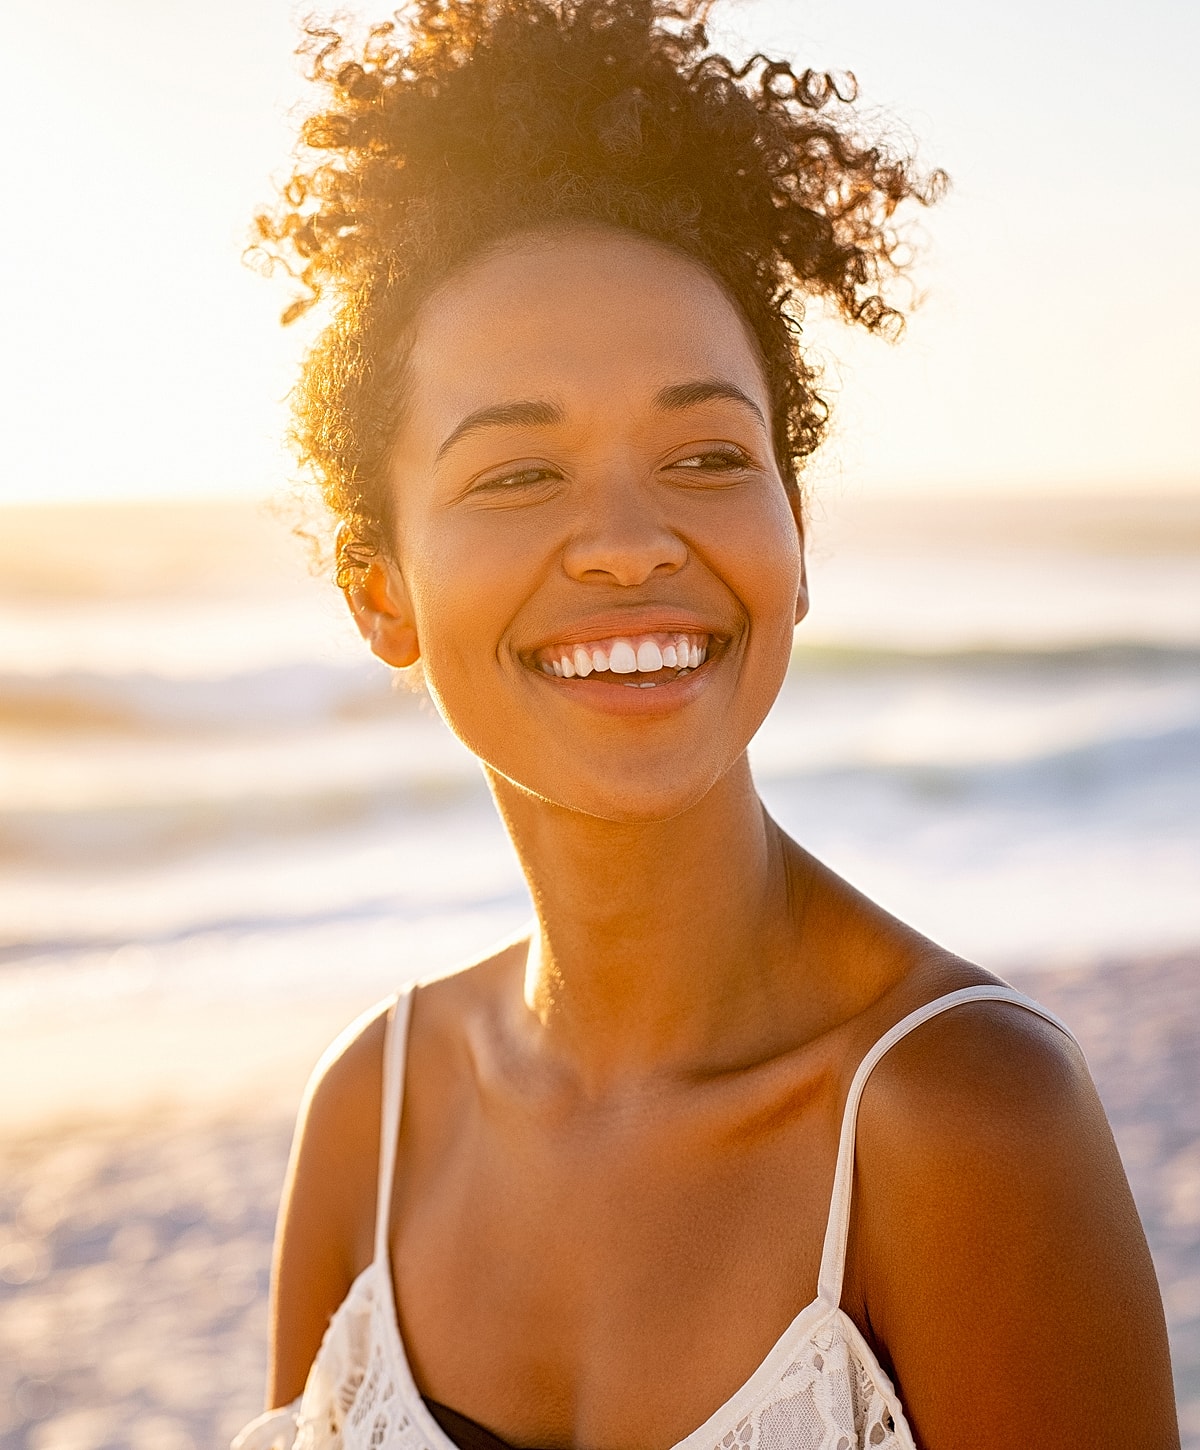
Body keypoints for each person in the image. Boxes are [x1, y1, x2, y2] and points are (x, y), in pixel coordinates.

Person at [233, 2, 1180, 1446]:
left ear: (794, 539)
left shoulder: (963, 1119)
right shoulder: (372, 1116)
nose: (628, 541)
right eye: (517, 474)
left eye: (704, 453)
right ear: (382, 595)